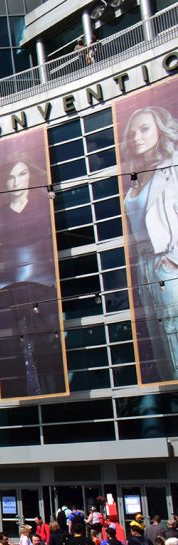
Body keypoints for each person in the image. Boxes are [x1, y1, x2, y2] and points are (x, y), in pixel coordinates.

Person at [0, 147, 66, 398]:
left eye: (21, 174)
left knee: (47, 345)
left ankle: (55, 395)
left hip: (42, 285)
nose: (16, 182)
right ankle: (15, 398)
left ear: (30, 176)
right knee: (9, 349)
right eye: (10, 177)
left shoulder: (43, 207)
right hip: (5, 290)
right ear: (4, 182)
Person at [120, 104, 178, 382]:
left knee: (173, 327)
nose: (137, 137)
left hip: (166, 260)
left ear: (160, 130)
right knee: (158, 335)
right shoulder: (134, 177)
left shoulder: (172, 165)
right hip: (143, 264)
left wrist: (174, 258)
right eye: (132, 133)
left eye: (144, 129)